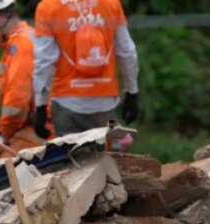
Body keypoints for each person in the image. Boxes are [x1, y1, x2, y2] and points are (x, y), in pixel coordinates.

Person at [31, 0, 140, 139]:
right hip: (106, 101)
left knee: (69, 152)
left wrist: (41, 105)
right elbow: (127, 51)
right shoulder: (111, 3)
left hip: (67, 102)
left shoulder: (48, 7)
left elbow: (44, 61)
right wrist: (131, 93)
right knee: (107, 150)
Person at [0, 0, 44, 165]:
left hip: (44, 128)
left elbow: (16, 104)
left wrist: (0, 138)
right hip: (42, 123)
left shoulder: (20, 46)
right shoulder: (29, 38)